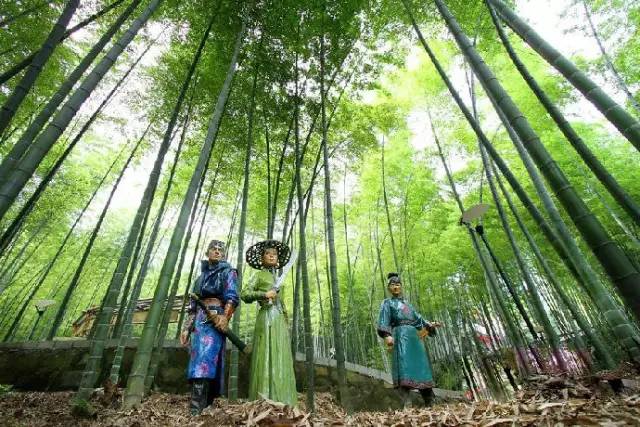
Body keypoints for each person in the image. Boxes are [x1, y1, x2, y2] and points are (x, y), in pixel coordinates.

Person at [180, 240, 239, 415]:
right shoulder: (200, 278)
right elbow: (192, 305)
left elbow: (232, 297)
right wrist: (186, 328)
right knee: (197, 358)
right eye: (214, 249)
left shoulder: (228, 271)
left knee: (207, 359)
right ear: (207, 252)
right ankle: (198, 406)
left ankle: (198, 408)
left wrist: (224, 317)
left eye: (221, 250)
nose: (217, 252)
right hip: (199, 318)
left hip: (216, 318)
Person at [242, 239, 297, 406]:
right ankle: (263, 400)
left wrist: (286, 319)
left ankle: (284, 401)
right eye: (268, 253)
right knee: (266, 353)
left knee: (281, 355)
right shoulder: (259, 275)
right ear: (262, 258)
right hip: (266, 316)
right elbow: (244, 294)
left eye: (274, 254)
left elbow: (283, 303)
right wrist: (264, 295)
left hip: (279, 318)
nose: (272, 256)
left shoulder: (279, 277)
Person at [377, 272, 441, 408]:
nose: (396, 287)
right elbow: (384, 319)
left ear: (401, 287)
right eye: (393, 285)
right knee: (403, 366)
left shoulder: (408, 304)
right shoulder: (387, 303)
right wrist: (386, 335)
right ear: (389, 288)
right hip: (400, 336)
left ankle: (430, 400)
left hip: (414, 338)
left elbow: (419, 320)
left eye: (398, 285)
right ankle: (406, 403)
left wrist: (429, 325)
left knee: (421, 366)